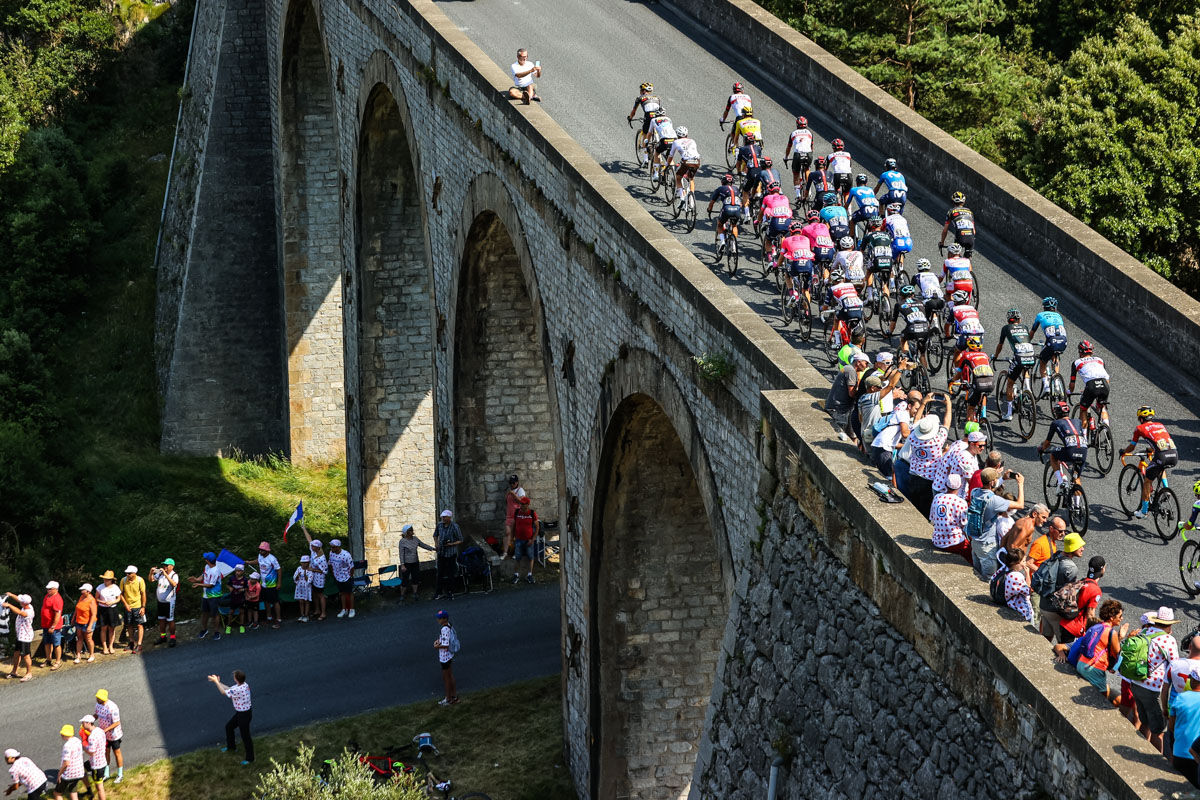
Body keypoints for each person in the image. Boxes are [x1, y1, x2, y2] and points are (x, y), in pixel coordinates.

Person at [1128, 607, 1180, 752]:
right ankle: (1156, 760)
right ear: (1169, 624)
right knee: (1158, 731)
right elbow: (1175, 665)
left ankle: (1141, 751)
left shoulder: (1144, 632)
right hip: (1154, 689)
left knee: (1144, 723)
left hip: (1136, 684)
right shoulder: (1168, 640)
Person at [1119, 405, 1179, 519]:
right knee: (1161, 468)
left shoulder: (1139, 428)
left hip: (1162, 456)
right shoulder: (1160, 425)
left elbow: (1132, 446)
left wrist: (1124, 452)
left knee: (1147, 481)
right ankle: (1166, 490)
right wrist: (1150, 450)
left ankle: (1144, 511)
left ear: (1141, 418)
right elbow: (1161, 440)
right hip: (1174, 454)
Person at [967, 467, 1025, 580]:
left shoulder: (975, 493)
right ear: (992, 482)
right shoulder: (994, 501)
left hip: (975, 541)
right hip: (987, 546)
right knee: (988, 580)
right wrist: (1020, 484)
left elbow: (987, 492)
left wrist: (1003, 479)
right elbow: (1020, 504)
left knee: (976, 574)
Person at [1035, 532, 1086, 644]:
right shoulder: (1071, 568)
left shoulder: (1055, 556)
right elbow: (1068, 594)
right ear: (1073, 548)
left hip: (1044, 604)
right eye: (1080, 546)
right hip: (1055, 611)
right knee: (1063, 644)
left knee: (1045, 639)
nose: (1083, 549)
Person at [905, 401, 951, 517]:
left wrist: (924, 402)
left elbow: (916, 421)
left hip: (913, 476)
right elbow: (947, 424)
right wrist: (948, 405)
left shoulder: (913, 437)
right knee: (925, 512)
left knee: (914, 509)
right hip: (928, 480)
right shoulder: (936, 441)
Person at [991, 308, 1038, 421]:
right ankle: (1027, 388)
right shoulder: (1025, 327)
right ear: (1019, 319)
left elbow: (1000, 345)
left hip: (1019, 356)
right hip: (1031, 355)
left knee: (1010, 384)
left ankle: (1009, 413)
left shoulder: (1006, 328)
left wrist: (995, 356)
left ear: (1008, 320)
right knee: (1025, 368)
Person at [1037, 401, 1087, 493]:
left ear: (1057, 413)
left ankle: (1061, 482)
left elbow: (1047, 443)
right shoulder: (1077, 421)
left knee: (1053, 455)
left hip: (1070, 451)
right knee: (1076, 478)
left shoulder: (1056, 423)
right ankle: (1077, 505)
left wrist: (1041, 449)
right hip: (1083, 451)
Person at [208, 670, 254, 764]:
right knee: (229, 727)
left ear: (236, 679)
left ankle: (250, 758)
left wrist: (216, 682)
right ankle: (231, 747)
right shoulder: (243, 685)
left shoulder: (239, 689)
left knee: (245, 737)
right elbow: (228, 689)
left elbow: (224, 692)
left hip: (244, 715)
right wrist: (218, 682)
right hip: (242, 713)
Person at [825, 351, 870, 444]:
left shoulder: (848, 368)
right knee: (842, 436)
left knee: (852, 435)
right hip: (839, 410)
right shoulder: (850, 371)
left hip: (843, 408)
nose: (867, 366)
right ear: (858, 362)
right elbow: (852, 394)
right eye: (866, 363)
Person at [1029, 296, 1068, 395]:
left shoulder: (1040, 315)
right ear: (1055, 308)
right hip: (1063, 341)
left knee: (1043, 362)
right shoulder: (1058, 316)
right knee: (1055, 357)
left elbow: (1032, 332)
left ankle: (1046, 386)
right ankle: (1056, 381)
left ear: (1044, 307)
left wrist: (1027, 341)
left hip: (1051, 342)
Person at [933, 430, 985, 498]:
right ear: (972, 444)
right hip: (956, 495)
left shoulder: (968, 453)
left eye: (984, 445)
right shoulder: (965, 458)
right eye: (980, 446)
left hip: (952, 491)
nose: (983, 448)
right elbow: (972, 482)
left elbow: (950, 468)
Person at [930, 474, 970, 564]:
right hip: (954, 542)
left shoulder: (937, 498)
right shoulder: (961, 502)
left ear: (946, 485)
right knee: (972, 556)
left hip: (937, 540)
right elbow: (964, 525)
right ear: (960, 486)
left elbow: (932, 518)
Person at [1069, 340, 1110, 426]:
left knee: (1083, 410)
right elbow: (1105, 378)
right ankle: (1106, 428)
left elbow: (1072, 384)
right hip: (1104, 385)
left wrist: (1069, 392)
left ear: (1080, 352)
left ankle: (1083, 437)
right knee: (1102, 407)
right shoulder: (1099, 360)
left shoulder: (1076, 362)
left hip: (1091, 386)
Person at [1174, 664, 1200, 787]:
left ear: (1193, 680)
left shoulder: (1180, 698)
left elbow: (1171, 726)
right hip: (1197, 756)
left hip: (1179, 753)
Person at [188, 552, 224, 641]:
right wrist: (196, 579)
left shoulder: (216, 571)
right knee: (205, 613)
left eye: (206, 558)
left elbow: (211, 585)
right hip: (206, 595)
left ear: (208, 560)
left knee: (215, 614)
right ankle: (204, 630)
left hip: (214, 595)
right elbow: (203, 575)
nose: (204, 560)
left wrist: (198, 584)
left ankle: (216, 632)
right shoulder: (207, 566)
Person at [246, 542, 282, 628]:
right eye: (260, 550)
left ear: (267, 550)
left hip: (272, 584)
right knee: (266, 600)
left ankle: (278, 620)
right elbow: (258, 561)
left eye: (262, 550)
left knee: (275, 602)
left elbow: (279, 570)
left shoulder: (272, 559)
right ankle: (269, 617)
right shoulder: (260, 556)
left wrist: (279, 582)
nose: (260, 552)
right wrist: (249, 562)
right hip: (263, 583)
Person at [706, 174, 741, 256]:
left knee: (720, 224)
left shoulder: (720, 189)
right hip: (737, 209)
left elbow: (712, 202)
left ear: (722, 182)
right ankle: (733, 245)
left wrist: (709, 210)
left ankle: (722, 241)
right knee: (734, 225)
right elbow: (741, 203)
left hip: (726, 209)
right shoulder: (736, 189)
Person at [398, 524, 435, 601]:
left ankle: (415, 593)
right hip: (407, 563)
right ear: (407, 532)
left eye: (412, 530)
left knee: (415, 578)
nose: (412, 531)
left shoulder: (415, 539)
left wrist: (433, 549)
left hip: (415, 562)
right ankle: (402, 595)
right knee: (405, 579)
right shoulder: (402, 541)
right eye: (410, 530)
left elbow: (423, 545)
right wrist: (402, 564)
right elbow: (401, 553)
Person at [93, 689, 123, 783]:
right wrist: (90, 720)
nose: (97, 699)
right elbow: (97, 714)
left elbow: (117, 722)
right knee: (106, 752)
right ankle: (106, 774)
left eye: (98, 698)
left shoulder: (112, 707)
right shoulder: (98, 705)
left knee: (117, 753)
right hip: (104, 735)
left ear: (103, 698)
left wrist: (105, 730)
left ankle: (120, 774)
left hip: (114, 735)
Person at [666, 125, 701, 204]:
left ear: (677, 135)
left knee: (678, 177)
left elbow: (671, 155)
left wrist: (667, 164)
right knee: (691, 179)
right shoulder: (692, 140)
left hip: (686, 161)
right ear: (686, 134)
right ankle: (691, 200)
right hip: (696, 161)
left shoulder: (676, 142)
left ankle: (682, 197)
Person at [999, 547, 1035, 623]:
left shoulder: (1005, 570)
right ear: (1016, 563)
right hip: (1022, 611)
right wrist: (1027, 575)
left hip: (1012, 605)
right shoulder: (1016, 576)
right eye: (1023, 561)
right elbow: (1028, 590)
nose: (1025, 563)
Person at [3, 593, 34, 682]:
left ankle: (29, 673)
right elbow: (19, 600)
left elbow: (20, 612)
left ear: (24, 603)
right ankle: (14, 671)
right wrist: (11, 595)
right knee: (16, 653)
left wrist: (9, 605)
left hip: (25, 637)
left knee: (26, 655)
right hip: (20, 635)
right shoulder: (27, 605)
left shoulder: (28, 612)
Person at [434, 511, 463, 601]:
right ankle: (438, 592)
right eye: (442, 517)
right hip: (441, 553)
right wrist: (436, 544)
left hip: (451, 553)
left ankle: (451, 592)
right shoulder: (439, 525)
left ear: (449, 518)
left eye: (445, 517)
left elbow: (460, 539)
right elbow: (435, 535)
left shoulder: (455, 527)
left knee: (450, 573)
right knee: (440, 573)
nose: (443, 519)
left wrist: (452, 544)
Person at [149, 558, 179, 648]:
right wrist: (151, 572)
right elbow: (151, 580)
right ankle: (163, 636)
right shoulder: (160, 574)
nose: (164, 567)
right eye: (164, 565)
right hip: (160, 601)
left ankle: (173, 637)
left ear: (172, 566)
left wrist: (166, 574)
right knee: (161, 619)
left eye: (166, 565)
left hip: (169, 602)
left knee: (170, 620)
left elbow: (174, 584)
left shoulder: (174, 575)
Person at [626, 82, 661, 155]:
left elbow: (634, 110)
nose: (640, 92)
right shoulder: (657, 98)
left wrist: (630, 118)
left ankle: (645, 159)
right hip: (658, 117)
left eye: (641, 90)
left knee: (645, 133)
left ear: (644, 91)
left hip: (649, 116)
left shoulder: (640, 98)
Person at [302, 525, 328, 620]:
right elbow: (309, 539)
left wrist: (312, 569)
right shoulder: (314, 552)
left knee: (320, 595)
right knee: (314, 593)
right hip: (313, 576)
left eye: (313, 546)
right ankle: (317, 610)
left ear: (318, 548)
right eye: (312, 545)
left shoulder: (322, 559)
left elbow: (325, 571)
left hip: (320, 579)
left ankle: (323, 613)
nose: (311, 546)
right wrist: (304, 528)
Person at [512, 495, 540, 584]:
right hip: (518, 539)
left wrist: (533, 539)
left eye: (523, 504)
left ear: (527, 504)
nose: (521, 505)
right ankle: (516, 575)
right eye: (521, 503)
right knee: (517, 558)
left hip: (529, 540)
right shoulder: (517, 512)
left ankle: (529, 575)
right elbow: (514, 525)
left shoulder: (532, 513)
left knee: (530, 557)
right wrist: (512, 537)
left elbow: (537, 527)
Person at [118, 566, 146, 654]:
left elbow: (143, 594)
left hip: (137, 605)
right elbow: (120, 593)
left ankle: (139, 644)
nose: (127, 575)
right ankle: (131, 642)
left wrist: (143, 607)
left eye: (129, 573)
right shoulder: (123, 580)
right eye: (127, 573)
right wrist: (125, 604)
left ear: (134, 573)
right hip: (128, 606)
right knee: (129, 624)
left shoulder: (140, 580)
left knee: (139, 625)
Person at [783, 116, 813, 198]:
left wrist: (786, 157)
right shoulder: (809, 133)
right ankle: (809, 190)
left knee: (796, 173)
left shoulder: (793, 133)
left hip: (798, 155)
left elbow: (789, 147)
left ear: (797, 124)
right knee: (807, 169)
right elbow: (811, 146)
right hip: (808, 154)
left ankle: (798, 195)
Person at [939, 190, 976, 256]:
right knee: (968, 260)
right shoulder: (970, 212)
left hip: (960, 236)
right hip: (971, 237)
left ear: (953, 202)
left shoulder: (951, 211)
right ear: (964, 202)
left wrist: (942, 242)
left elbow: (945, 230)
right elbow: (974, 231)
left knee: (955, 257)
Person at [78, 715, 107, 800]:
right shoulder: (100, 731)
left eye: (83, 723)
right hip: (97, 761)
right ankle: (89, 790)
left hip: (97, 765)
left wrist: (84, 748)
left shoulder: (92, 737)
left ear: (88, 723)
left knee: (99, 788)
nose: (82, 725)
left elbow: (92, 752)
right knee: (81, 769)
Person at [37, 582, 63, 671]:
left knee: (56, 644)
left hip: (53, 626)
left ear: (55, 589)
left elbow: (57, 615)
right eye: (48, 589)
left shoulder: (57, 599)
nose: (48, 590)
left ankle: (58, 661)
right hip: (45, 624)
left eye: (50, 589)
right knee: (47, 643)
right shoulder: (47, 596)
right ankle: (48, 659)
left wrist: (53, 626)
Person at [434, 610, 459, 706]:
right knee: (450, 675)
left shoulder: (444, 629)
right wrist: (439, 640)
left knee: (446, 678)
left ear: (445, 619)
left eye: (440, 618)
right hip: (449, 655)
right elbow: (446, 639)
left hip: (444, 657)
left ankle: (448, 699)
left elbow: (445, 645)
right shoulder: (449, 626)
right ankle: (454, 696)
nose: (438, 620)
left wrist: (436, 646)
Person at [53, 726, 84, 800]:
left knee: (57, 793)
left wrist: (60, 773)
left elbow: (66, 763)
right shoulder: (78, 741)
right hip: (79, 772)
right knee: (73, 792)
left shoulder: (67, 746)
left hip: (69, 774)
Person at [95, 572, 120, 656]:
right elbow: (96, 598)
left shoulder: (115, 587)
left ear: (111, 580)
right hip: (103, 608)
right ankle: (104, 647)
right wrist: (103, 602)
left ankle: (111, 646)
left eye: (108, 579)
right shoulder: (100, 587)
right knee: (103, 628)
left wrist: (112, 602)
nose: (106, 581)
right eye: (105, 579)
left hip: (112, 609)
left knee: (112, 628)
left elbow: (118, 598)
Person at [501, 474, 526, 561]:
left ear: (517, 482)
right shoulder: (510, 490)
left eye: (514, 483)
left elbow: (522, 501)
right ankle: (505, 553)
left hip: (517, 515)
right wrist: (508, 494)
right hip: (509, 515)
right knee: (507, 533)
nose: (512, 485)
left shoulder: (520, 490)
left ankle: (517, 552)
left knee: (516, 535)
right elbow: (505, 501)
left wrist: (512, 494)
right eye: (511, 483)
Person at [328, 539, 355, 619]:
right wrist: (333, 573)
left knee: (349, 593)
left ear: (338, 547)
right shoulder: (331, 553)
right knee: (342, 593)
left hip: (346, 577)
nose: (331, 549)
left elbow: (352, 567)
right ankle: (344, 609)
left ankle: (352, 609)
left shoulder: (346, 555)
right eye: (331, 547)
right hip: (337, 577)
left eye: (333, 547)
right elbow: (330, 563)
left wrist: (350, 576)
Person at [73, 584, 97, 664]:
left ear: (88, 591)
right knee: (79, 638)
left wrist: (90, 626)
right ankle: (78, 655)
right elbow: (77, 608)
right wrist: (73, 618)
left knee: (88, 639)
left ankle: (92, 655)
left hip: (88, 622)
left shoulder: (92, 600)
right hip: (79, 621)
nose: (81, 592)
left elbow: (94, 614)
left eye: (83, 590)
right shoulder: (81, 597)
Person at [226, 564, 247, 635]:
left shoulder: (244, 579)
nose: (237, 572)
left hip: (241, 598)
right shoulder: (232, 578)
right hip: (233, 598)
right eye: (236, 571)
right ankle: (228, 626)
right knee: (231, 612)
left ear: (242, 571)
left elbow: (247, 588)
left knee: (241, 612)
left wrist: (243, 589)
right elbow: (227, 584)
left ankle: (241, 626)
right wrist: (230, 588)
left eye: (239, 571)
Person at [294, 556, 313, 622]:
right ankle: (302, 615)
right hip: (299, 587)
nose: (304, 564)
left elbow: (310, 580)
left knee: (306, 601)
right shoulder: (298, 569)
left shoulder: (310, 570)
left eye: (306, 562)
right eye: (303, 562)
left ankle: (306, 615)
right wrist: (297, 576)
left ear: (308, 563)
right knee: (301, 601)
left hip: (306, 588)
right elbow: (295, 578)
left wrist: (305, 576)